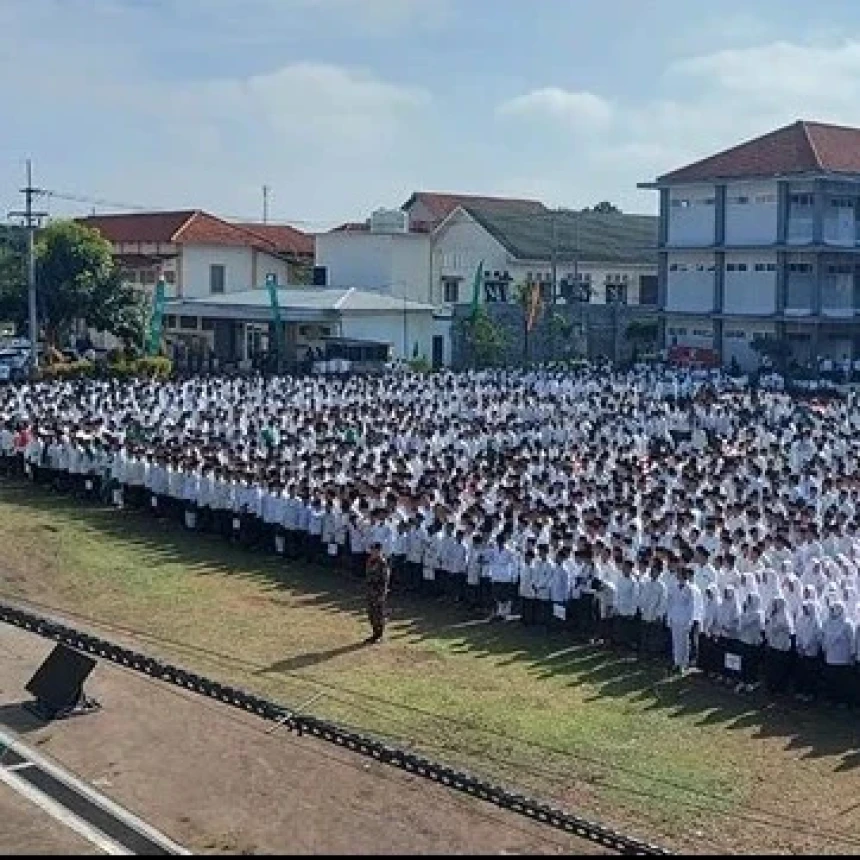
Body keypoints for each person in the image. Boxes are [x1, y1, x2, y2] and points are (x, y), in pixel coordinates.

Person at [365, 542, 391, 645]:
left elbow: (385, 580)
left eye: (374, 550)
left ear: (379, 551)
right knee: (371, 614)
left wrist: (382, 595)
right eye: (371, 550)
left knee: (379, 615)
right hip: (371, 592)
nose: (372, 551)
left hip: (378, 593)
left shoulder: (382, 563)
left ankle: (379, 635)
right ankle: (374, 634)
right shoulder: (370, 561)